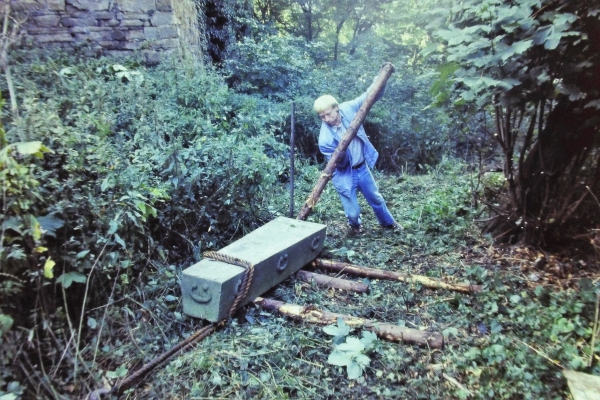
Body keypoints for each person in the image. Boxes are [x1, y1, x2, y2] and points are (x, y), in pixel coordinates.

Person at [314, 76, 401, 234]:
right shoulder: (324, 140)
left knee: (376, 199)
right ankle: (355, 226)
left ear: (337, 108)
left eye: (329, 114)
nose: (327, 119)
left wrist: (381, 78)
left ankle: (389, 223)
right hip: (344, 174)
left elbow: (369, 96)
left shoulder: (349, 108)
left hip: (362, 168)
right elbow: (339, 165)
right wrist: (341, 156)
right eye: (322, 117)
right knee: (353, 213)